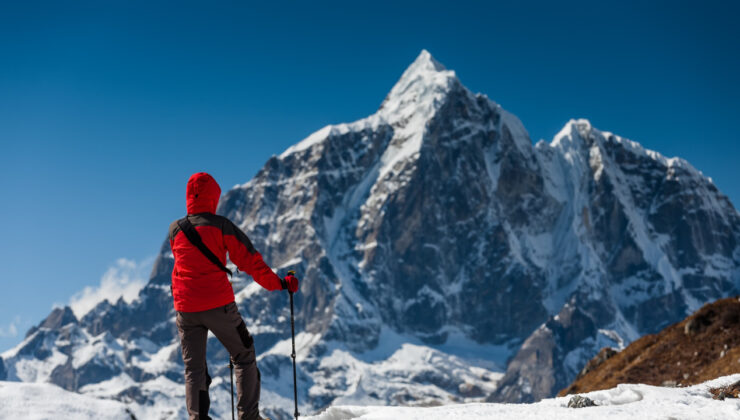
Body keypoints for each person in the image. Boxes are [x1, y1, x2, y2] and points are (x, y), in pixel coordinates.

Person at [169, 172, 299, 420]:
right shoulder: (222, 226)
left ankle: (197, 418)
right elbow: (251, 262)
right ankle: (249, 417)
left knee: (194, 368)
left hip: (186, 308)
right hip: (219, 305)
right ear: (214, 197)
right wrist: (281, 284)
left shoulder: (176, 230)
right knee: (243, 354)